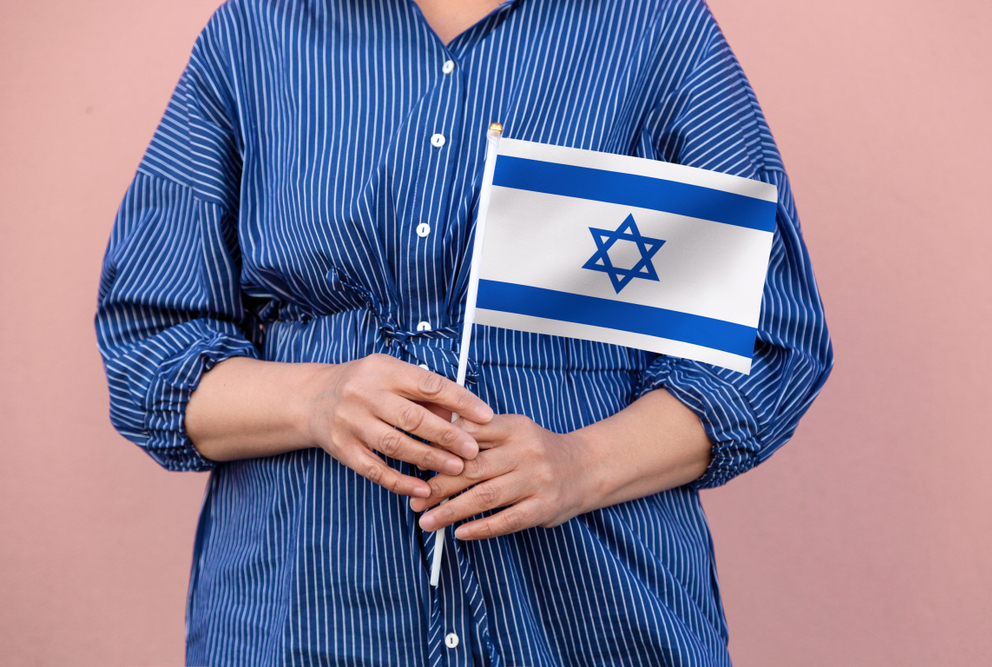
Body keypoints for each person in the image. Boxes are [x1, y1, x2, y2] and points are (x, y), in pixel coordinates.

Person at [95, 0, 833, 665]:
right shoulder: (256, 34)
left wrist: (583, 463)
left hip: (594, 616)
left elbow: (767, 338)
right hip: (296, 614)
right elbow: (148, 351)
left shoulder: (655, 28)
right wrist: (315, 397)